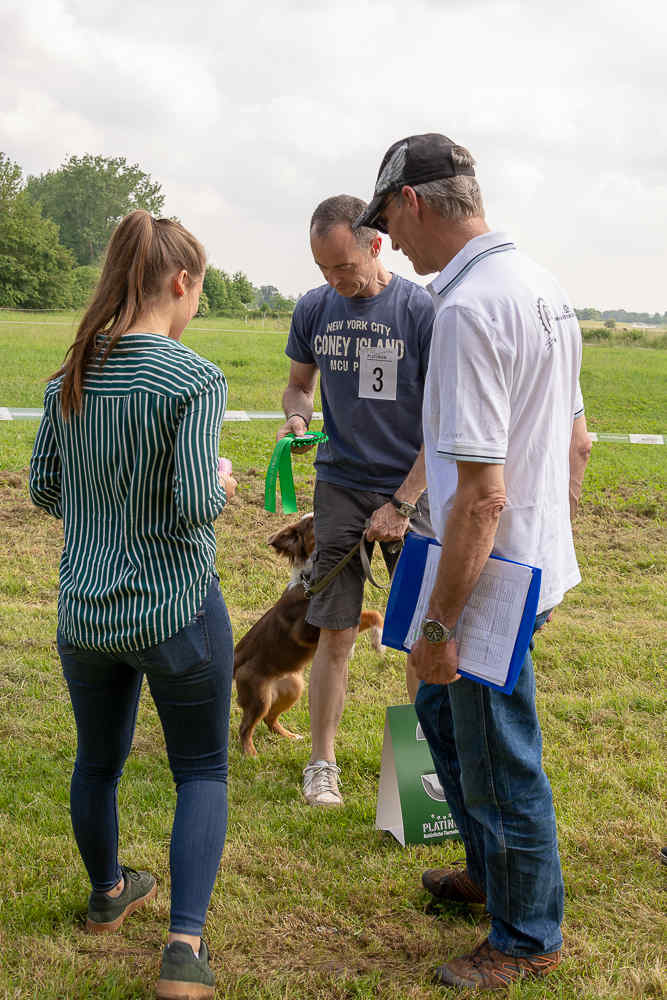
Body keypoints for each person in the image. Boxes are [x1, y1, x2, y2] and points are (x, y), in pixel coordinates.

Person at [355, 134, 592, 991]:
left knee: (495, 752)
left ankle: (527, 935)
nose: (389, 243)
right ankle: (490, 876)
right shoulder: (538, 285)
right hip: (512, 560)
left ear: (412, 203)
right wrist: (552, 552)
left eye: (386, 221)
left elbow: (482, 496)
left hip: (484, 571)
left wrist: (447, 623)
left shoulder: (463, 309)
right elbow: (576, 438)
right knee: (444, 721)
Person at [29, 210, 237, 1000]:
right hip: (175, 608)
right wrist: (216, 481)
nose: (197, 308)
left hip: (84, 611)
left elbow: (46, 487)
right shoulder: (193, 378)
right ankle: (183, 949)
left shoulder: (72, 372)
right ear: (179, 284)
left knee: (98, 762)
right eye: (200, 294)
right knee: (202, 770)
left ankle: (108, 894)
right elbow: (191, 505)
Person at [277, 194, 435, 807]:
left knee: (424, 632)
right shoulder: (315, 308)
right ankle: (323, 764)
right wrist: (298, 419)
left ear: (376, 244)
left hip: (413, 489)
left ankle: (418, 775)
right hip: (339, 486)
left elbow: (446, 423)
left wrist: (403, 502)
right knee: (334, 630)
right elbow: (297, 386)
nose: (334, 281)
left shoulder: (421, 310)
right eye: (323, 269)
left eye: (342, 266)